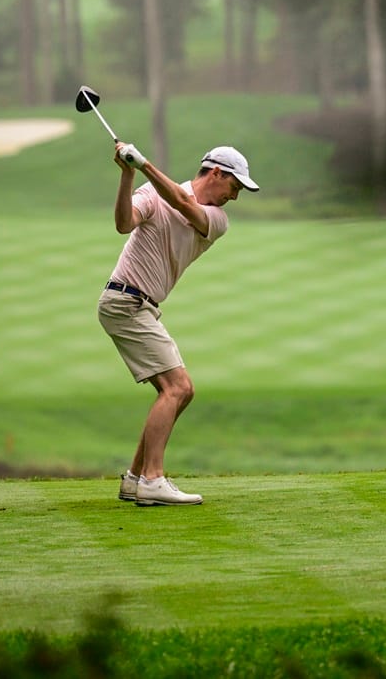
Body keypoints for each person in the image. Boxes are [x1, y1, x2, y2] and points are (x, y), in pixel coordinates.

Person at [99, 139, 258, 507]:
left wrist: (144, 165)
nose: (234, 197)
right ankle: (152, 480)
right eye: (234, 187)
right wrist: (127, 176)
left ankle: (136, 478)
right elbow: (124, 224)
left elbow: (183, 203)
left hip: (139, 306)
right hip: (125, 302)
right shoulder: (151, 194)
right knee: (178, 387)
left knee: (176, 391)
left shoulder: (217, 220)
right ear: (216, 173)